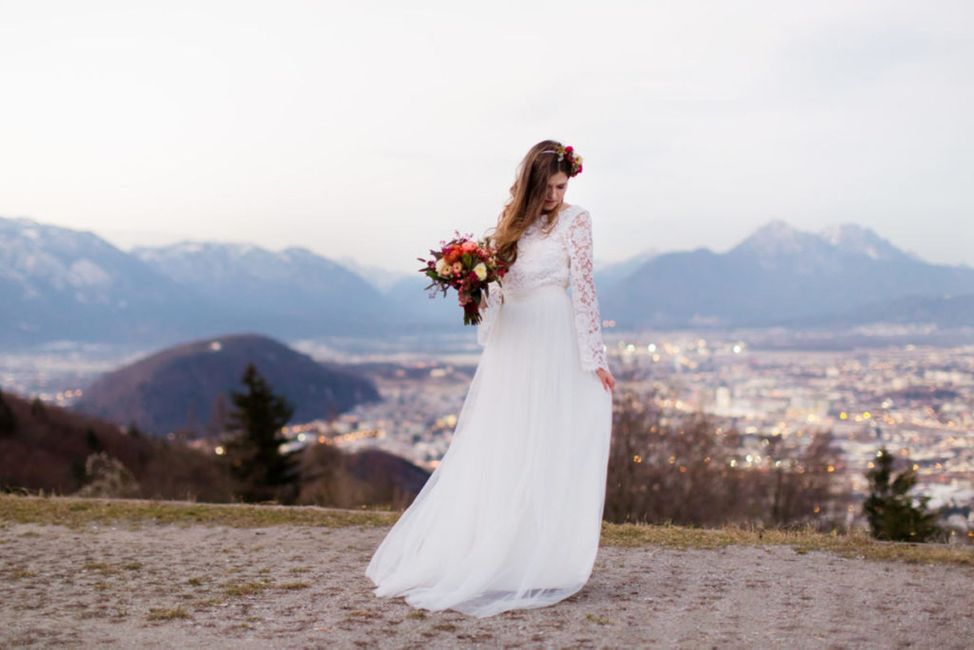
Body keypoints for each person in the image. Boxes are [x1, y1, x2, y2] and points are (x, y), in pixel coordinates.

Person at [365, 139, 616, 618]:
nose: (556, 197)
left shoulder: (577, 221)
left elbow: (584, 288)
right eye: (547, 188)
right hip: (514, 346)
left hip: (555, 338)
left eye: (562, 187)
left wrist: (594, 355)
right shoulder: (505, 229)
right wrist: (472, 291)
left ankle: (547, 557)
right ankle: (501, 552)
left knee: (552, 441)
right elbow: (497, 298)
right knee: (507, 443)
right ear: (530, 185)